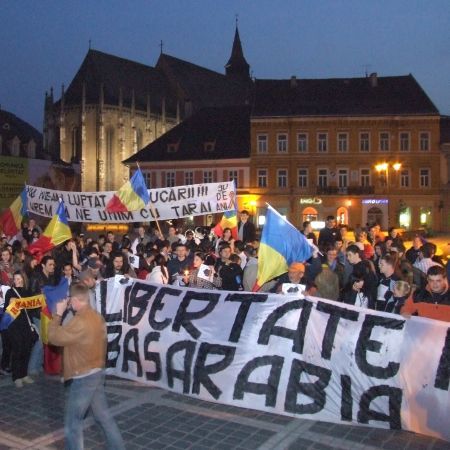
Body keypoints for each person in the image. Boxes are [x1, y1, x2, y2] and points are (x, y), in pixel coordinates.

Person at [48, 283, 125, 449]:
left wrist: (58, 314)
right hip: (97, 371)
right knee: (104, 418)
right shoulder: (97, 316)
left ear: (75, 300)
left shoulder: (79, 321)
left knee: (72, 423)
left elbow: (53, 337)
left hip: (83, 375)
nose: (69, 302)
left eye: (70, 299)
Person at [3, 272, 38, 387]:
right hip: (14, 326)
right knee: (17, 350)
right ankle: (16, 377)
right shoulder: (10, 292)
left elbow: (32, 309)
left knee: (26, 350)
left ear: (23, 279)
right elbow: (7, 310)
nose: (17, 280)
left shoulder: (27, 292)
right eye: (15, 278)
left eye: (19, 278)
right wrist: (11, 302)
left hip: (26, 325)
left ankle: (24, 374)